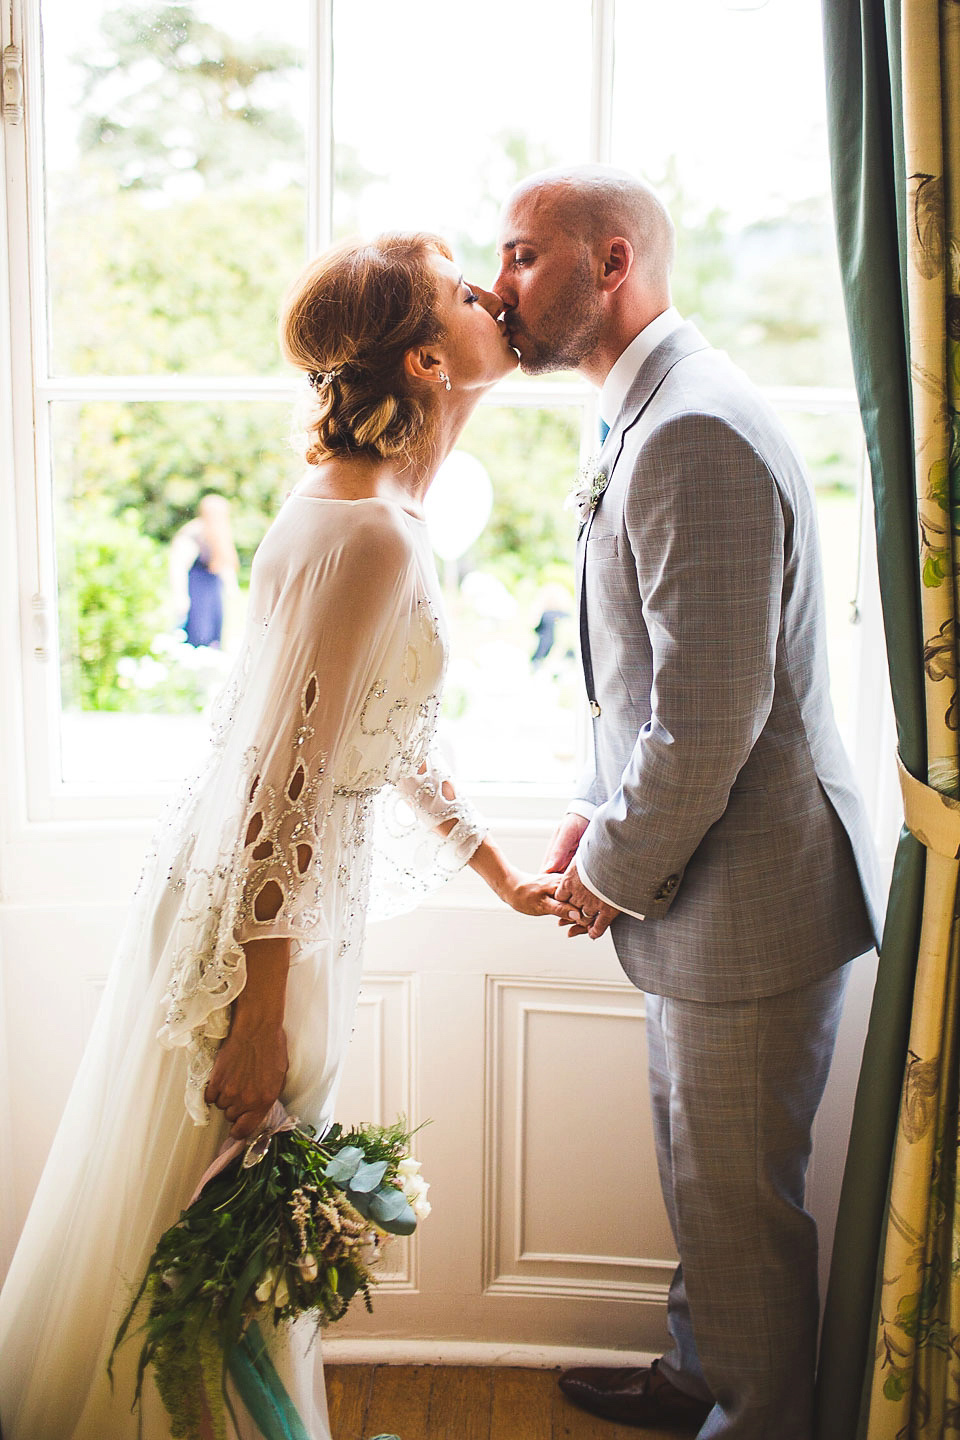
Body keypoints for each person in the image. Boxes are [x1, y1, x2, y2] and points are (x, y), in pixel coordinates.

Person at [0, 232, 568, 1440]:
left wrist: (498, 870)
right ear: (428, 356)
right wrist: (260, 1013)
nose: (496, 299)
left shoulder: (362, 509)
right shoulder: (367, 531)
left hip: (277, 909)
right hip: (265, 930)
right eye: (470, 292)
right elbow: (286, 793)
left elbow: (384, 737)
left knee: (227, 1234)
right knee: (219, 1220)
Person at [492, 166, 884, 1440]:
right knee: (697, 1171)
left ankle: (760, 1418)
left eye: (520, 257)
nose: (500, 285)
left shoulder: (692, 428)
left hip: (754, 893)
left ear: (611, 264)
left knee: (735, 1193)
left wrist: (608, 870)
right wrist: (591, 820)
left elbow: (711, 719)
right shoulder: (648, 408)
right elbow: (655, 673)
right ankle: (698, 1373)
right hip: (710, 879)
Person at [170, 492, 240, 649]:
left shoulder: (220, 533)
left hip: (213, 589)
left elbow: (224, 564)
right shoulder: (194, 533)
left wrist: (231, 587)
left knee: (212, 635)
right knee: (197, 632)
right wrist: (181, 596)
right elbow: (178, 566)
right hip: (197, 589)